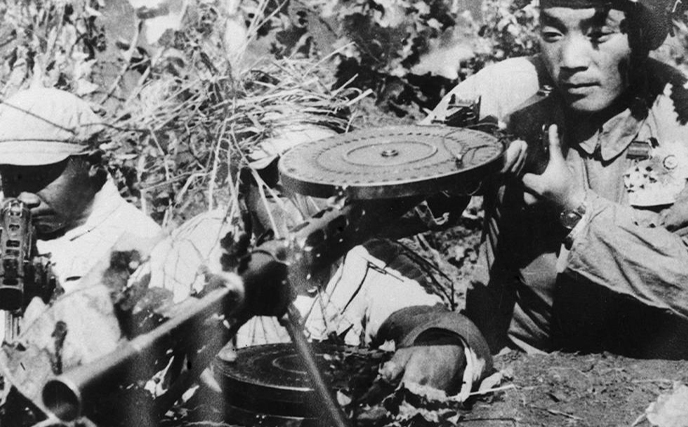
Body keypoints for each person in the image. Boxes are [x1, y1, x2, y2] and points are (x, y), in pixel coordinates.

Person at [431, 0, 688, 358]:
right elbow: (401, 191)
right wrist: (461, 171)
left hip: (651, 380)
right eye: (553, 33)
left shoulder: (684, 116)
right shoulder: (507, 91)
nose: (571, 60)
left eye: (599, 35)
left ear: (644, 35)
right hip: (517, 368)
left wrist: (575, 206)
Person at [141, 120, 491, 400]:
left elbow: (430, 319)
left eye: (315, 188)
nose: (296, 211)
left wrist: (441, 350)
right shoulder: (198, 246)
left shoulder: (359, 258)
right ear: (245, 188)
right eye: (276, 190)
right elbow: (134, 340)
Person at [0, 85, 161, 348]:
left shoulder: (140, 245)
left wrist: (47, 303)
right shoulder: (5, 209)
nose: (24, 198)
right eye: (10, 177)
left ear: (92, 164)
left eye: (39, 177)